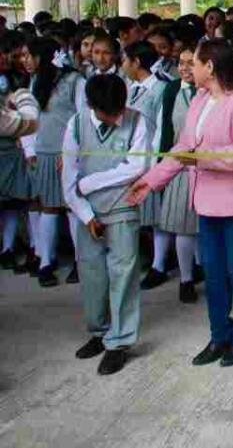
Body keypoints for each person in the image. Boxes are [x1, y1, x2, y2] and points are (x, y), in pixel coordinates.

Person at [129, 39, 233, 368]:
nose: (188, 69)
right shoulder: (199, 99)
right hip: (207, 202)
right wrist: (152, 181)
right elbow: (183, 146)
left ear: (210, 66)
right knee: (213, 274)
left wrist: (200, 159)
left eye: (193, 63)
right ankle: (219, 335)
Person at [61, 74, 154, 376]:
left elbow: (137, 166)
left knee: (124, 274)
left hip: (123, 208)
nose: (117, 118)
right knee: (92, 274)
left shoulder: (138, 121)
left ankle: (120, 342)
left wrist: (89, 183)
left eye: (119, 109)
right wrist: (86, 214)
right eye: (108, 112)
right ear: (91, 106)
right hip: (87, 213)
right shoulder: (75, 125)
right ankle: (99, 332)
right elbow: (68, 180)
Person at [22, 36, 83, 287]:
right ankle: (46, 260)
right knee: (48, 206)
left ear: (41, 56)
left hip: (67, 154)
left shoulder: (74, 80)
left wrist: (72, 153)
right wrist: (30, 150)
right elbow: (30, 117)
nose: (24, 60)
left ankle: (81, 261)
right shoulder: (36, 81)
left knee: (72, 208)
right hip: (44, 153)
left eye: (28, 55)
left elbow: (81, 117)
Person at [154, 44, 204, 303]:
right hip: (180, 165)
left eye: (190, 62)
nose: (185, 68)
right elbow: (165, 130)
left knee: (206, 227)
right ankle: (186, 279)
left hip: (208, 167)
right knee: (183, 228)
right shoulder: (172, 90)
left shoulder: (210, 90)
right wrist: (162, 165)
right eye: (181, 63)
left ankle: (204, 269)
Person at [121, 41, 173, 291]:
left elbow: (161, 128)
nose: (123, 65)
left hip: (149, 158)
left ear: (136, 62)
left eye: (125, 60)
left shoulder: (161, 89)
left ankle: (159, 264)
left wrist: (153, 165)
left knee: (157, 217)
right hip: (130, 157)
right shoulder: (131, 88)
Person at [0, 36, 38, 271]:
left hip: (14, 146)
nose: (15, 59)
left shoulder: (22, 79)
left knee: (13, 200)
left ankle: (8, 248)